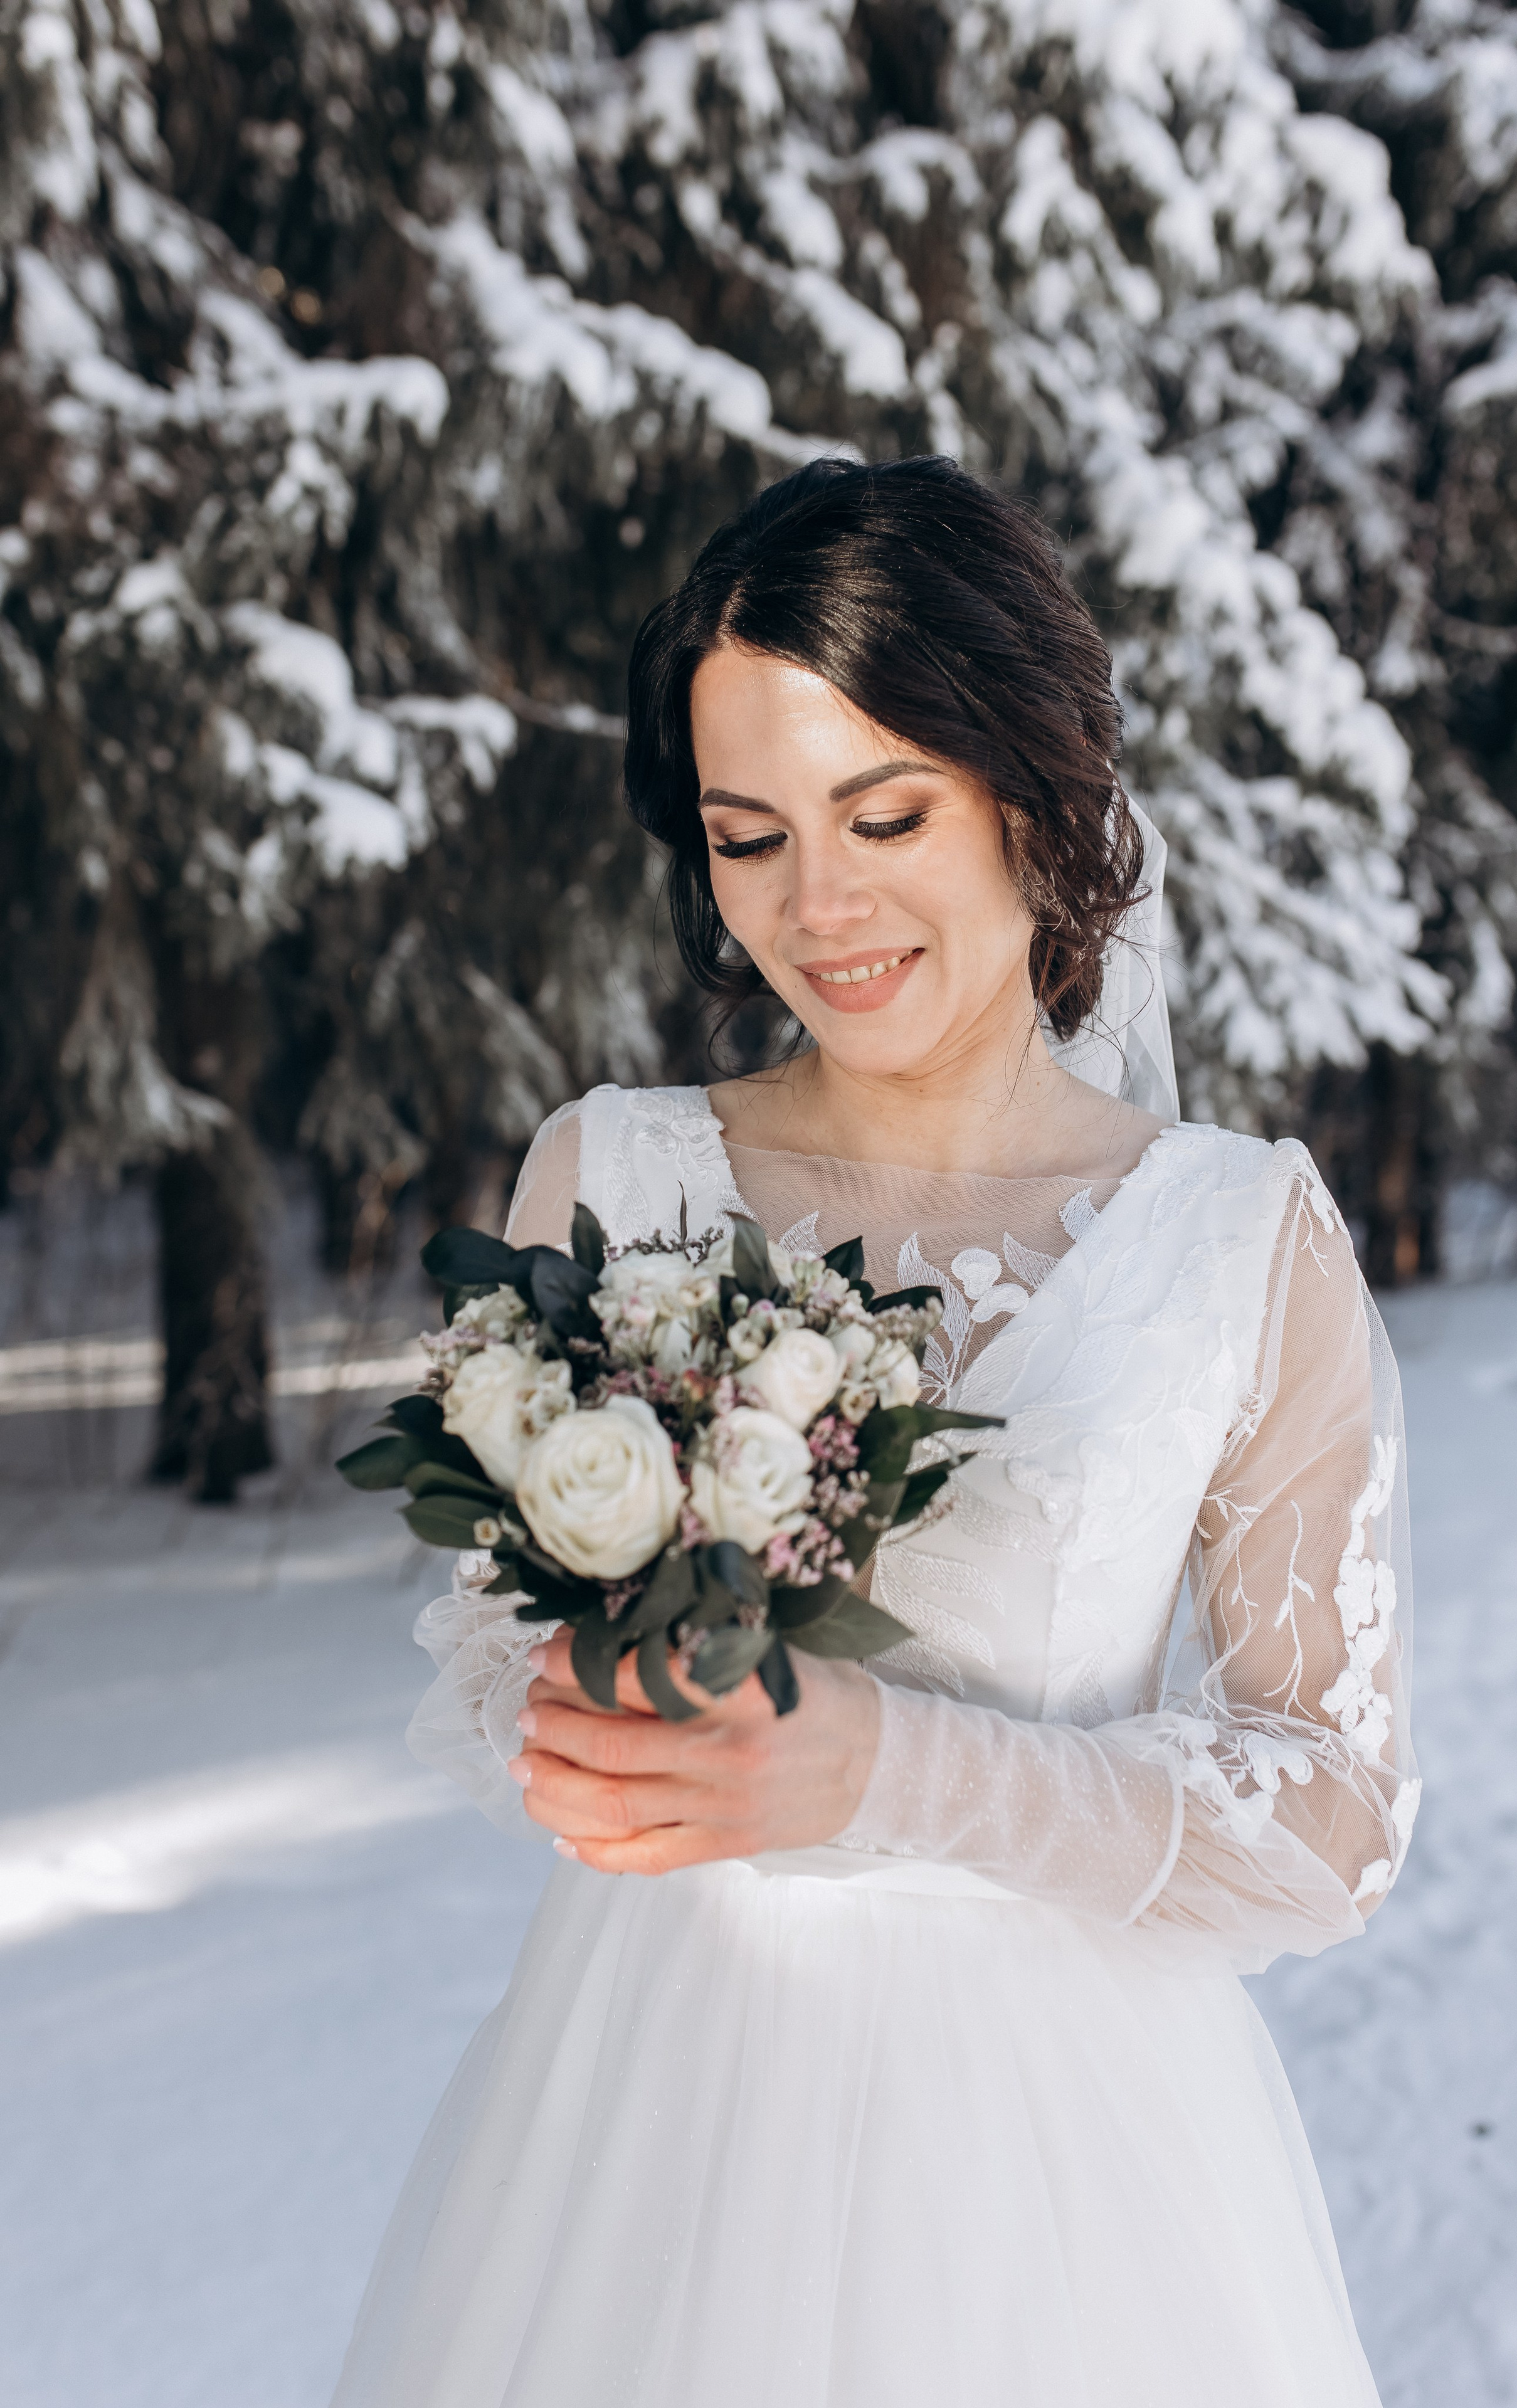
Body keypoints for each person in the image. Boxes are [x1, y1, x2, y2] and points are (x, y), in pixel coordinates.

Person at [333, 457, 1419, 2407]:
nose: (815, 908)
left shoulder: (1239, 1243)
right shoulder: (611, 1177)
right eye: (747, 838)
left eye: (885, 814)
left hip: (1071, 2177)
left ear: (1031, 787)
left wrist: (893, 1772)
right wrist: (592, 1714)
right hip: (657, 2127)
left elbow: (1333, 1815)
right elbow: (499, 1667)